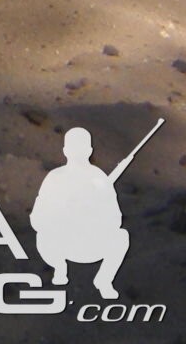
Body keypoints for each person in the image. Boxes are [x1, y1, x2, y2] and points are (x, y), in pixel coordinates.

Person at [30, 126, 131, 299]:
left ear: (65, 151)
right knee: (43, 236)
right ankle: (60, 268)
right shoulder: (55, 178)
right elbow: (38, 218)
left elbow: (115, 219)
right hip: (61, 244)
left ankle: (104, 280)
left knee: (121, 237)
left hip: (90, 244)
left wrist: (92, 212)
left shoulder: (99, 179)